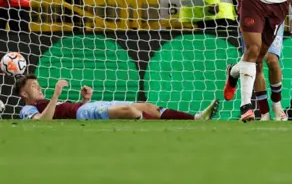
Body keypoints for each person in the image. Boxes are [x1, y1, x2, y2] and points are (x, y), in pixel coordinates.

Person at [16, 75, 219, 121]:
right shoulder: (27, 110)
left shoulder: (45, 102)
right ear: (24, 94)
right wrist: (56, 95)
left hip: (88, 107)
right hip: (84, 114)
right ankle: (139, 123)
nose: (39, 88)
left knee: (148, 106)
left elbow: (62, 112)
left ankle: (196, 118)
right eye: (34, 87)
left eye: (38, 85)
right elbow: (43, 122)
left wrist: (85, 99)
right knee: (131, 111)